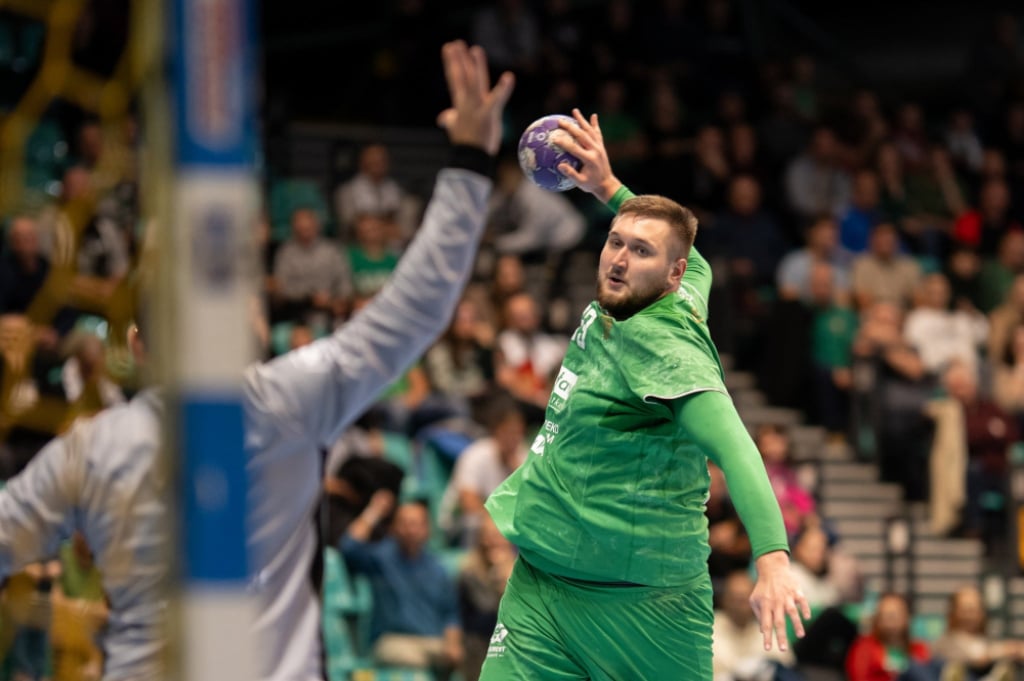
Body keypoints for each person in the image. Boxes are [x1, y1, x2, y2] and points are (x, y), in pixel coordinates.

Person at [0, 40, 515, 681]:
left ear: (137, 347)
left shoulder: (91, 449)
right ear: (248, 328)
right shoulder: (287, 398)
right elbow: (418, 305)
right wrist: (469, 159)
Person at [480, 109, 809, 680]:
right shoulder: (679, 285)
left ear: (672, 275)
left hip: (643, 605)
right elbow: (696, 255)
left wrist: (773, 560)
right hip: (544, 583)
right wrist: (608, 186)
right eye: (615, 242)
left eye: (641, 251)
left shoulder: (668, 349)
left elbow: (736, 449)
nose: (619, 259)